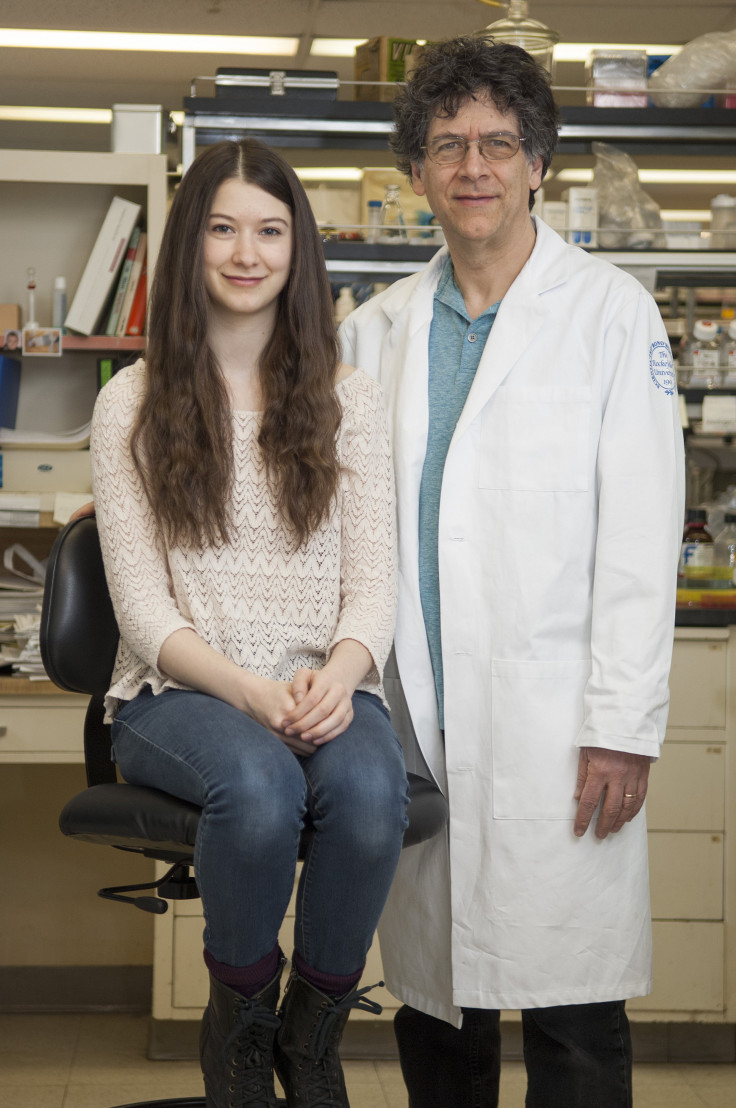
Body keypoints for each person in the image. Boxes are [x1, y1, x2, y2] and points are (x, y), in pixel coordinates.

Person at [339, 35, 685, 1108]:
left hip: (557, 730)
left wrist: (622, 722)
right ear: (416, 173)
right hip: (418, 729)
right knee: (436, 1013)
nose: (473, 167)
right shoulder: (373, 332)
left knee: (572, 1019)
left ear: (539, 161)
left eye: (498, 143)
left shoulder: (608, 314)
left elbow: (640, 532)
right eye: (448, 146)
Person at [90, 137, 408, 1108]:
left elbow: (374, 586)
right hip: (178, 691)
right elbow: (144, 612)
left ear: (296, 250)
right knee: (261, 787)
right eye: (222, 228)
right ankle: (239, 1023)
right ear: (190, 244)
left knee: (367, 789)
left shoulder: (347, 399)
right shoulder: (128, 404)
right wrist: (249, 691)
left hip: (324, 684)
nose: (245, 252)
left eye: (270, 230)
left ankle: (312, 1037)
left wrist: (344, 668)